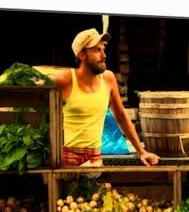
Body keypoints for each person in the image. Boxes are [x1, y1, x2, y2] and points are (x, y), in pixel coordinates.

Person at [51, 28, 159, 167]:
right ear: (82, 55)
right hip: (66, 156)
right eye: (97, 50)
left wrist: (141, 151)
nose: (104, 55)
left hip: (94, 157)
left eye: (103, 49)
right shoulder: (64, 80)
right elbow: (35, 100)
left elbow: (120, 115)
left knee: (102, 190)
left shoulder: (108, 78)